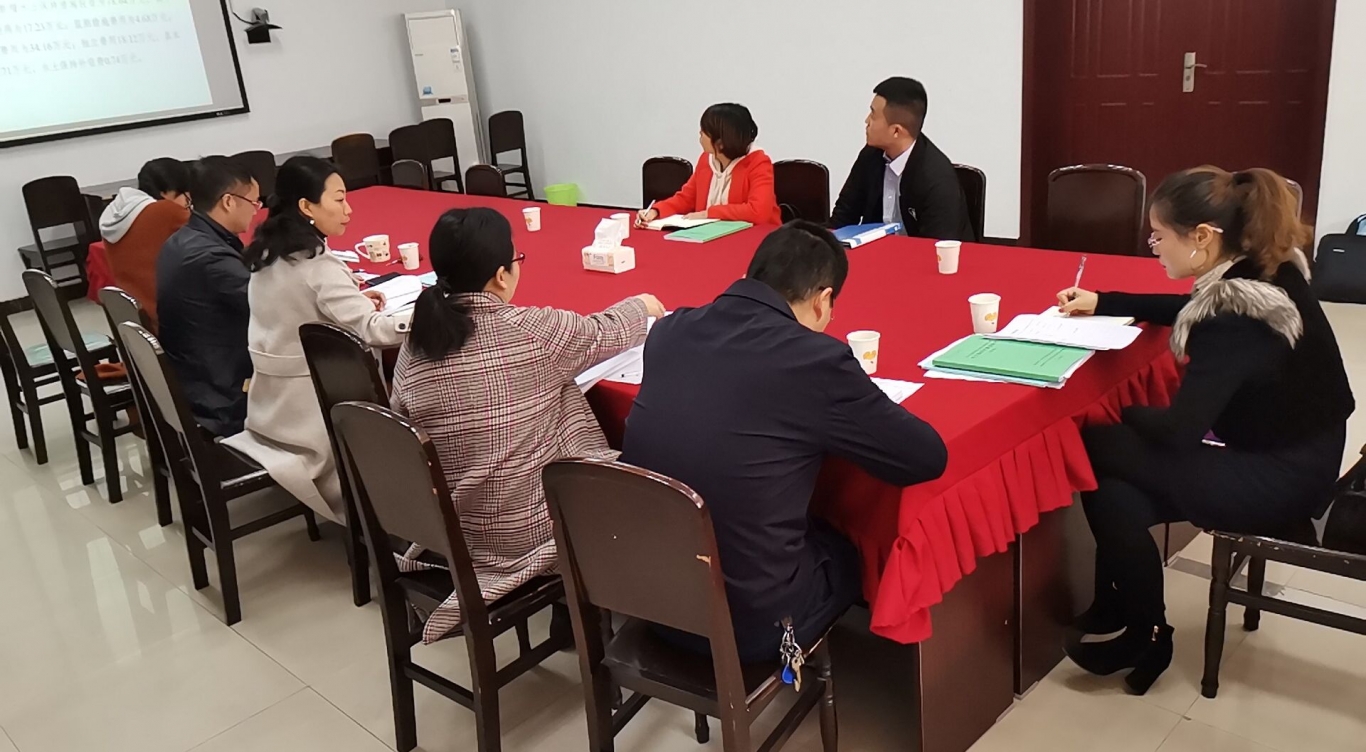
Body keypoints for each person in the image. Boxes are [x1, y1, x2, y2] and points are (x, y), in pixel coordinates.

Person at [1055, 166, 1355, 695]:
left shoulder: (1236, 319)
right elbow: (1194, 309)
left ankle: (1135, 621)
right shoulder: (1263, 270)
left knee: (1098, 443)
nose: (1152, 247)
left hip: (1281, 477)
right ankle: (1139, 624)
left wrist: (1120, 411)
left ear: (1201, 237)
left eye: (1159, 236)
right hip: (1301, 449)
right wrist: (1106, 301)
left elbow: (1178, 430)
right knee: (1115, 490)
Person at [620, 221, 948, 662]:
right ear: (823, 300)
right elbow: (925, 457)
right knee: (849, 547)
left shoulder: (670, 331)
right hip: (746, 627)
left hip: (650, 599)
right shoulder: (815, 360)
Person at [391, 207, 666, 643]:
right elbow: (603, 331)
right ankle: (604, 603)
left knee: (550, 396)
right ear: (502, 275)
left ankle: (569, 610)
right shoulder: (528, 331)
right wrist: (642, 305)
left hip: (455, 526)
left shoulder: (417, 341)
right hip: (527, 531)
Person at [221, 156, 403, 522]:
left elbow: (299, 307)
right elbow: (373, 330)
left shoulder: (267, 253)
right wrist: (424, 317)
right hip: (311, 417)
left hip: (269, 407)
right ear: (306, 207)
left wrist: (351, 299)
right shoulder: (316, 264)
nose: (348, 210)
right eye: (339, 199)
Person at [156, 156, 260, 436]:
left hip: (194, 378)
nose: (256, 212)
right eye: (253, 203)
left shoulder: (182, 239)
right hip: (222, 396)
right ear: (229, 202)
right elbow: (269, 305)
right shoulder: (210, 257)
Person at [830, 77, 975, 241]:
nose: (867, 121)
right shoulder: (870, 156)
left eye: (873, 115)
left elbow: (936, 246)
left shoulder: (937, 180)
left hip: (920, 254)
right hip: (876, 250)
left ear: (896, 131)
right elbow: (844, 215)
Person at [636, 103, 780, 227]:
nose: (700, 133)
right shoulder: (706, 159)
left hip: (757, 238)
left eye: (705, 131)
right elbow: (686, 198)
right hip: (712, 234)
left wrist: (709, 213)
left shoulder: (758, 162)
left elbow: (758, 211)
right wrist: (656, 211)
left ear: (721, 142)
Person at [98, 157, 192, 330]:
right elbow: (211, 231)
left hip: (135, 319)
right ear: (168, 191)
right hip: (171, 320)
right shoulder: (165, 210)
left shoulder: (116, 213)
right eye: (187, 196)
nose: (187, 203)